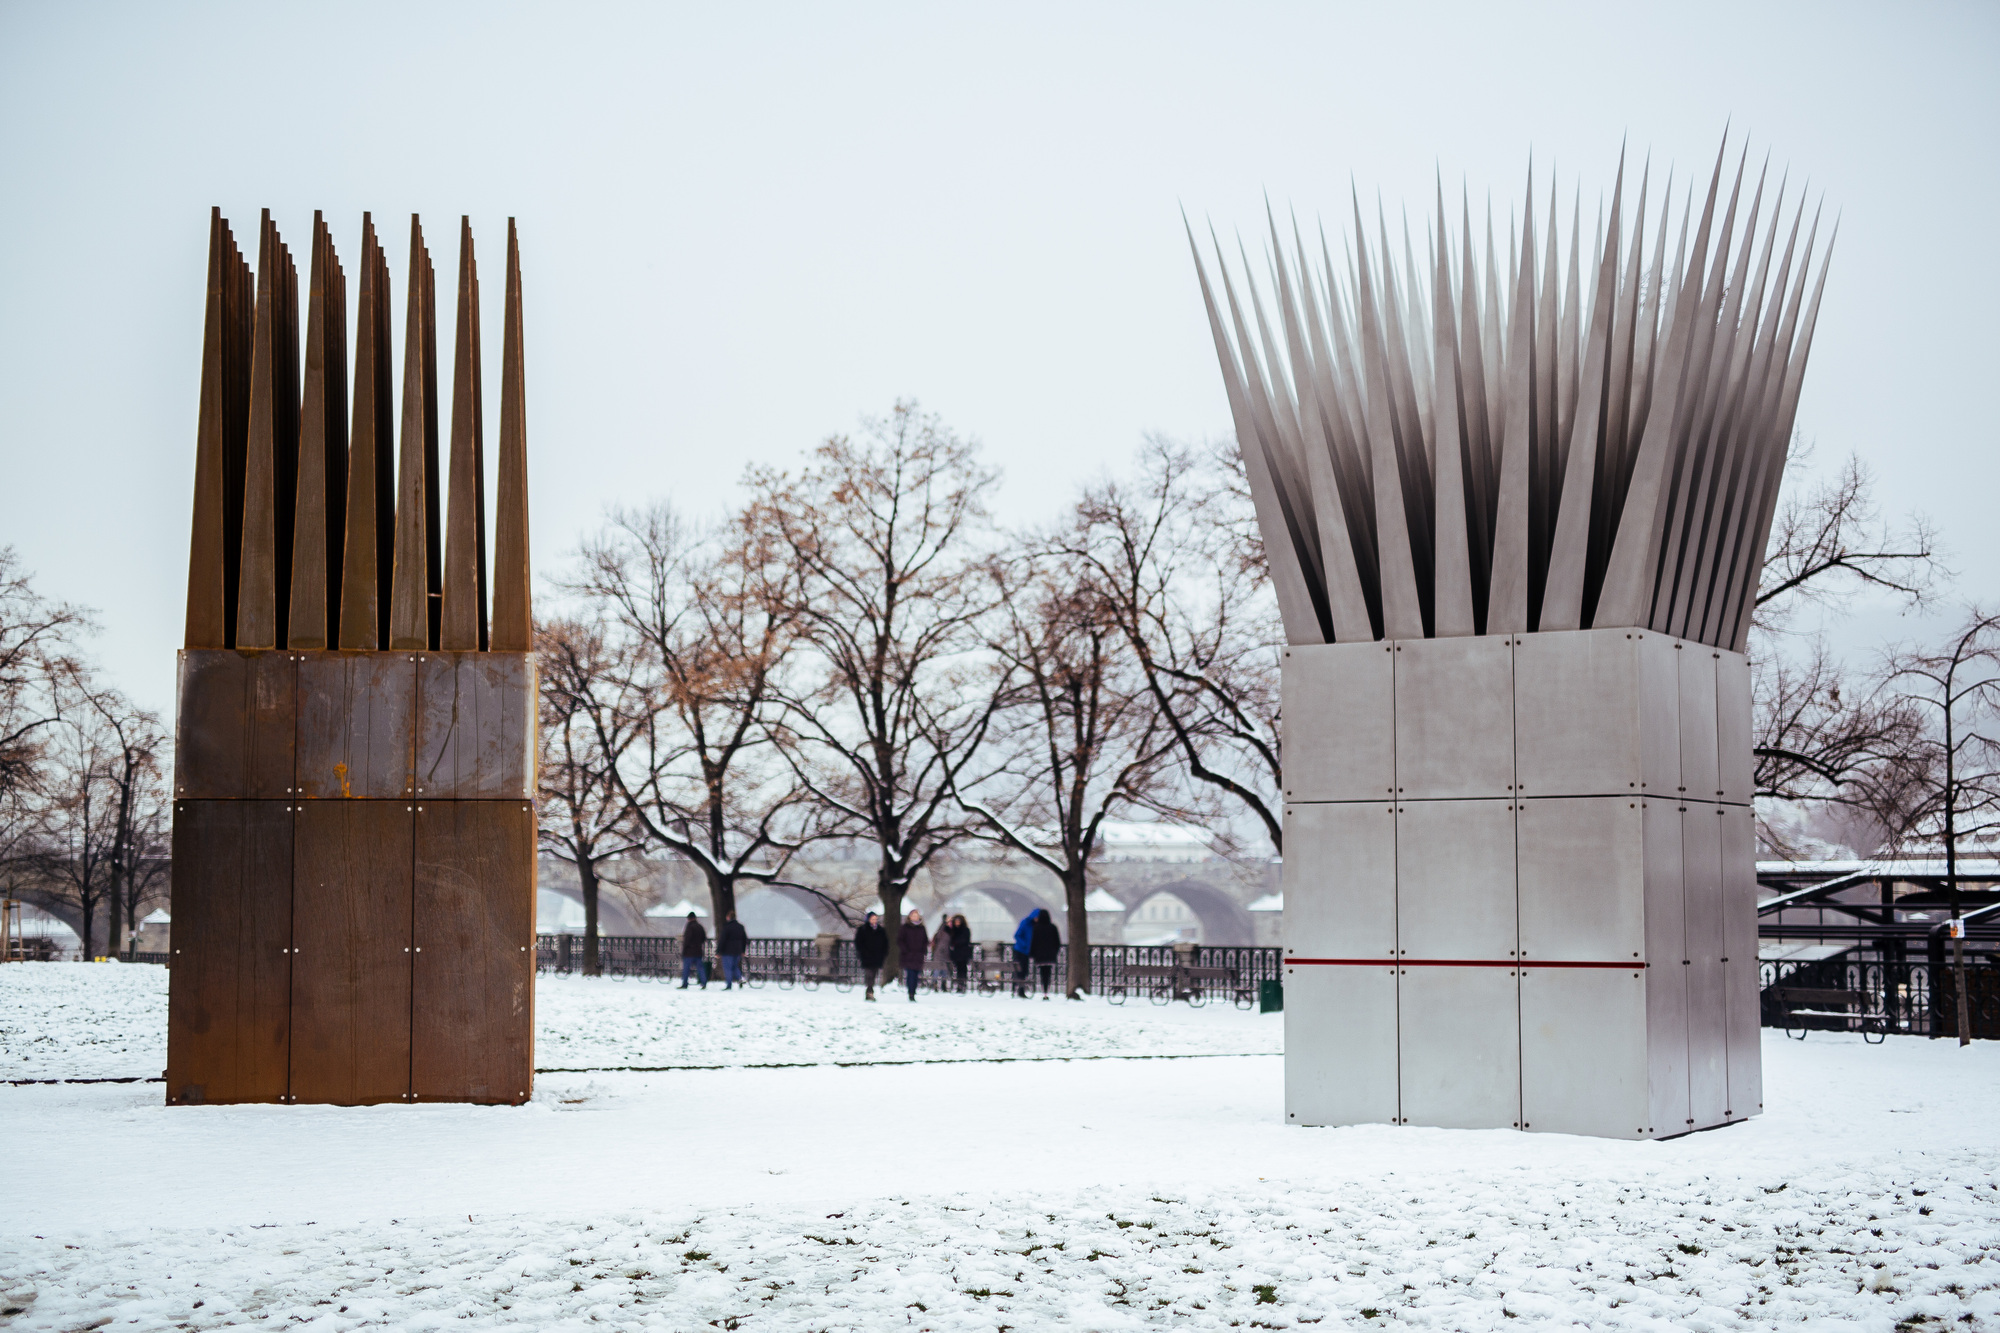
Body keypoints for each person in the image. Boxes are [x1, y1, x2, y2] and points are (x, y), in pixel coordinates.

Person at [854, 911, 888, 1000]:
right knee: (869, 974)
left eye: (875, 919)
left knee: (874, 974)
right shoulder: (863, 929)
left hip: (877, 956)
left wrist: (883, 953)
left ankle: (869, 991)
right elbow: (858, 942)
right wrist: (862, 952)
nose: (874, 921)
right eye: (872, 919)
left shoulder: (880, 930)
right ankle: (870, 992)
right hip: (866, 956)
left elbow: (885, 943)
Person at [1029, 907, 1061, 998]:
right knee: (1048, 973)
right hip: (1050, 955)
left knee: (1042, 974)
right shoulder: (1053, 927)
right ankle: (1047, 991)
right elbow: (1057, 942)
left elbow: (1033, 942)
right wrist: (1055, 951)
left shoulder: (1036, 928)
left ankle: (1044, 990)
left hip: (1039, 955)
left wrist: (1032, 953)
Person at [898, 910, 930, 1002]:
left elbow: (925, 940)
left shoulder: (922, 928)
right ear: (910, 917)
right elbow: (900, 940)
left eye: (916, 916)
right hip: (908, 955)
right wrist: (905, 951)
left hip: (918, 956)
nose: (915, 917)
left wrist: (923, 951)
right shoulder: (905, 928)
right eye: (913, 916)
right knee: (910, 974)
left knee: (916, 975)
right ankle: (911, 993)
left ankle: (913, 991)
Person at [715, 909, 749, 990]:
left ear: (728, 917)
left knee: (728, 968)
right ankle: (739, 978)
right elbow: (744, 939)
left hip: (727, 951)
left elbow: (722, 940)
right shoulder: (740, 927)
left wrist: (718, 951)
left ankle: (729, 984)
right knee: (735, 966)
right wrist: (743, 951)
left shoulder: (727, 927)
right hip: (737, 950)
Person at [679, 912, 709, 989]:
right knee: (700, 968)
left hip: (689, 952)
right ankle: (704, 982)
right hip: (698, 951)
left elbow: (687, 940)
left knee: (686, 969)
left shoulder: (689, 927)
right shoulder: (700, 926)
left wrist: (684, 949)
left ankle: (685, 983)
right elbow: (704, 938)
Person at [1011, 910, 1036, 996]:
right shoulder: (1026, 923)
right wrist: (1025, 945)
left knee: (1024, 971)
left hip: (1026, 951)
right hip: (1021, 950)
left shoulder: (1032, 925)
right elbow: (1017, 935)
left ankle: (1019, 989)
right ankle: (1018, 989)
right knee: (1019, 970)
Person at [946, 913, 973, 992]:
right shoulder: (953, 930)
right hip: (956, 954)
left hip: (962, 954)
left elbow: (964, 940)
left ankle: (962, 985)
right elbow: (945, 931)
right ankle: (959, 985)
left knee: (962, 970)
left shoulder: (965, 930)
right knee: (957, 970)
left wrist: (955, 943)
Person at [928, 916, 953, 992]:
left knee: (944, 970)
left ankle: (943, 984)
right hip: (940, 953)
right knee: (937, 969)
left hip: (946, 954)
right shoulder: (943, 931)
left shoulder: (950, 931)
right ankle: (935, 983)